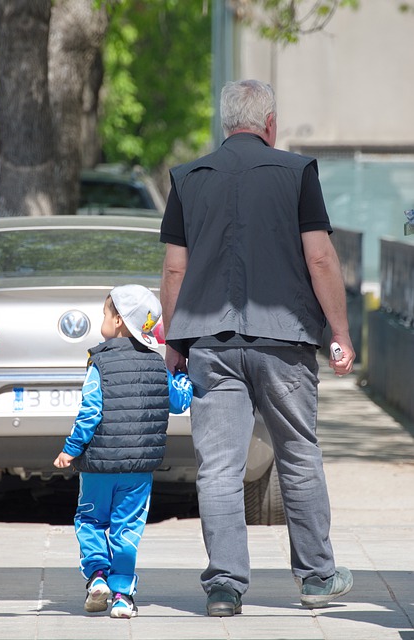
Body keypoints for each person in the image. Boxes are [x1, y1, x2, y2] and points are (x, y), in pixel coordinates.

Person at [160, 79, 356, 617]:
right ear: (271, 123)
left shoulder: (188, 177)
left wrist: (173, 342)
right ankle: (317, 578)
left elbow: (175, 268)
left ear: (226, 123)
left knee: (217, 468)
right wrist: (339, 332)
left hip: (208, 342)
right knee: (297, 454)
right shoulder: (297, 174)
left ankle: (224, 587)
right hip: (285, 340)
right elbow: (319, 259)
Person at [53, 284, 192, 619]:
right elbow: (179, 402)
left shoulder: (99, 363)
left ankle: (97, 575)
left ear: (118, 322)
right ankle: (122, 598)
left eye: (105, 313)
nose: (102, 319)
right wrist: (184, 378)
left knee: (89, 519)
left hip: (98, 466)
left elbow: (90, 412)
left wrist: (70, 450)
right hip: (139, 471)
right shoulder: (158, 366)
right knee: (126, 528)